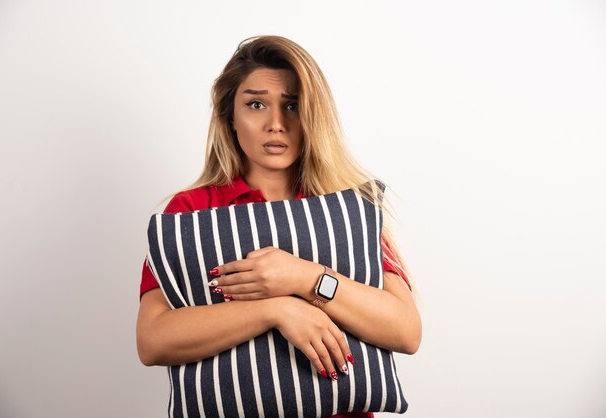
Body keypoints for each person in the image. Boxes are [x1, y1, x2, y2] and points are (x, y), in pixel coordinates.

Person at [137, 35, 422, 418]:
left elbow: (406, 331)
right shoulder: (189, 211)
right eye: (256, 104)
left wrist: (304, 278)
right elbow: (153, 341)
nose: (276, 124)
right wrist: (277, 310)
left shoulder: (350, 207)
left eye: (293, 105)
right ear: (230, 116)